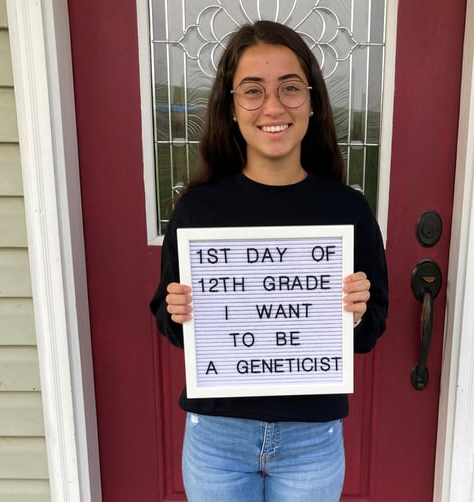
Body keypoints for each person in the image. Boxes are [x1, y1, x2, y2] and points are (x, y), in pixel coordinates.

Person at [149, 20, 388, 502]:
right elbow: (170, 322)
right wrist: (177, 311)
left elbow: (369, 333)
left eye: (290, 88)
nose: (273, 107)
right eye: (253, 91)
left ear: (312, 101)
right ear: (232, 107)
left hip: (311, 439)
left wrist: (358, 312)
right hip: (217, 436)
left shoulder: (346, 211)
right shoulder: (197, 211)